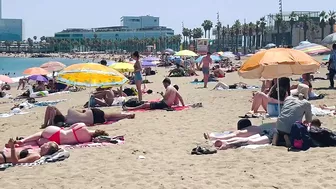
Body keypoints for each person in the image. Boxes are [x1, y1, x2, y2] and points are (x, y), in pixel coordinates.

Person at [204, 119, 276, 150]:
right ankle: (216, 138)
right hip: (263, 129)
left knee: (239, 134)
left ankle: (215, 138)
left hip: (262, 128)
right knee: (241, 136)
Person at [13, 123, 109, 146]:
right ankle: (24, 144)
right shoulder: (87, 140)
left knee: (42, 133)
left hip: (58, 132)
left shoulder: (82, 125)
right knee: (39, 142)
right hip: (57, 142)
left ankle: (23, 140)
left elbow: (68, 128)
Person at [43, 106, 135, 128]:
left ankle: (126, 116)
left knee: (110, 118)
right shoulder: (70, 111)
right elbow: (51, 108)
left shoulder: (69, 123)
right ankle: (126, 115)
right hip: (92, 113)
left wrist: (50, 123)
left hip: (93, 121)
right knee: (111, 115)